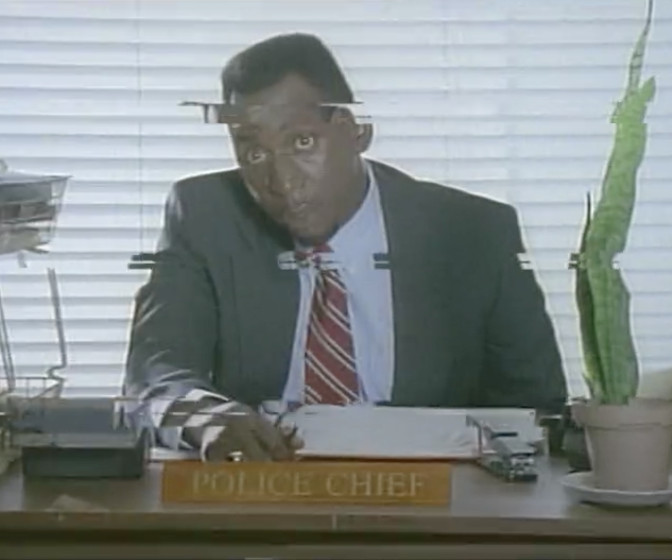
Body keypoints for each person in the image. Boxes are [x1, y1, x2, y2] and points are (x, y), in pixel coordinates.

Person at [122, 32, 567, 461]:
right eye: (255, 153)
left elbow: (535, 409)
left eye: (302, 142)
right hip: (268, 492)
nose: (281, 181)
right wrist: (203, 416)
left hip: (431, 506)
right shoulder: (205, 215)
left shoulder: (474, 232)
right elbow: (155, 373)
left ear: (356, 130)